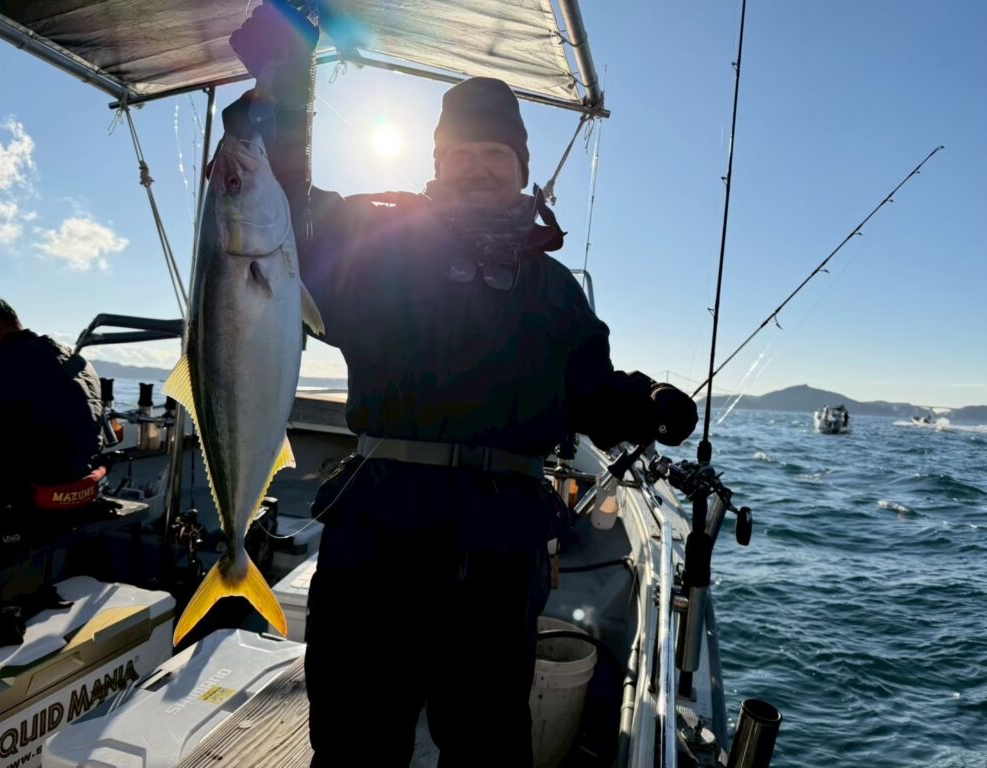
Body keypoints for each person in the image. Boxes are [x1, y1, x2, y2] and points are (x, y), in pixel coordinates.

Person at [226, 4, 699, 765]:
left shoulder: (554, 292)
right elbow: (283, 207)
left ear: (521, 169)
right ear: (437, 164)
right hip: (378, 534)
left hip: (500, 553)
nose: (477, 167)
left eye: (495, 155)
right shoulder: (378, 241)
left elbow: (590, 390)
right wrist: (285, 85)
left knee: (487, 746)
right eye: (461, 154)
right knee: (353, 744)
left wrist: (643, 404)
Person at [0, 294, 104, 542]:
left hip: (24, 509)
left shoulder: (5, 362)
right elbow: (35, 410)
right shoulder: (74, 360)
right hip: (77, 494)